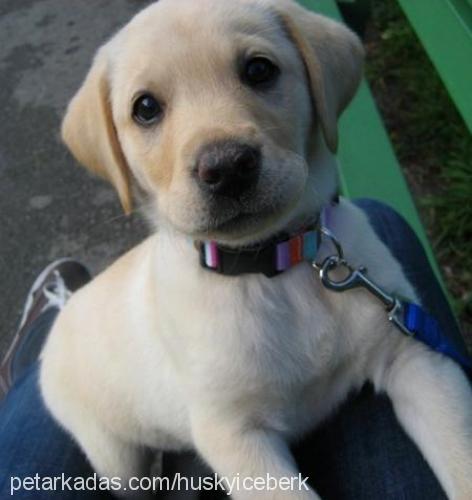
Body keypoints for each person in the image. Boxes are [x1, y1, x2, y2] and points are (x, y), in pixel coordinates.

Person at [0, 200, 469, 499]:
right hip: (76, 372)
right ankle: (46, 339)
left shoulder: (352, 237)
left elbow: (411, 358)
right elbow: (231, 431)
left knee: (381, 225)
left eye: (257, 71)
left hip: (321, 242)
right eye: (148, 108)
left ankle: (42, 330)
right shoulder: (187, 312)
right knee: (127, 482)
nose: (219, 149)